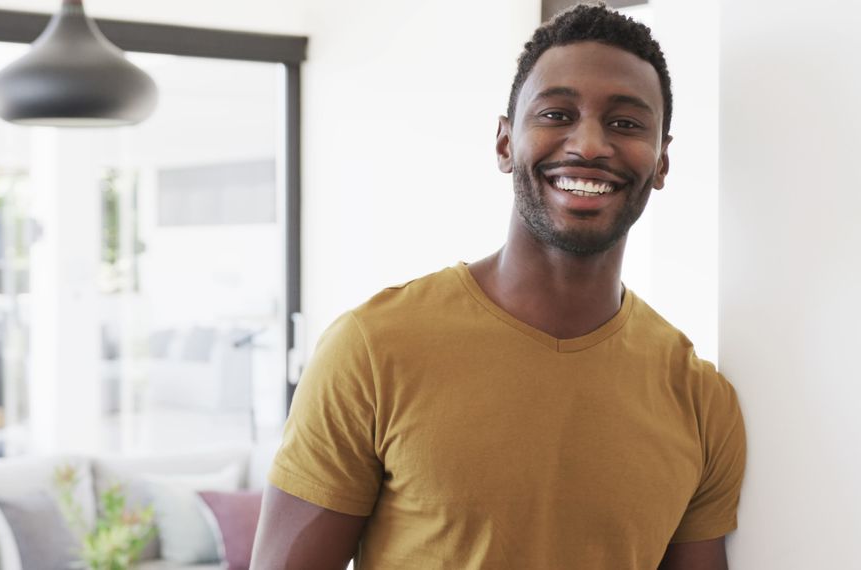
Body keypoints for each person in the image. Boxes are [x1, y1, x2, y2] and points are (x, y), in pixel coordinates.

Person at [251, 3, 746, 569]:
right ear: (505, 144)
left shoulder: (701, 400)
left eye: (626, 124)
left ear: (661, 163)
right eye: (557, 114)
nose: (589, 144)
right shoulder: (372, 348)